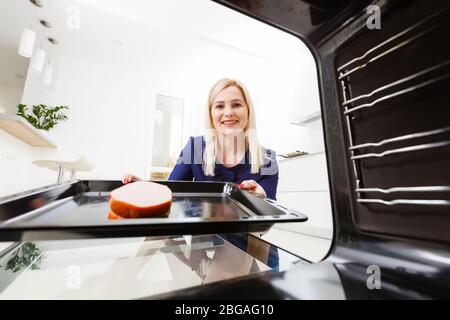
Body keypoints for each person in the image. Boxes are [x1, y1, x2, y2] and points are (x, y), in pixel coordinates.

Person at [123, 78, 279, 200]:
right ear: (211, 114)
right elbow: (171, 191)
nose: (228, 112)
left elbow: (269, 217)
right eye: (219, 106)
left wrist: (261, 198)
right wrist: (145, 188)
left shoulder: (268, 160)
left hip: (247, 239)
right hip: (202, 238)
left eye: (236, 104)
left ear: (248, 111)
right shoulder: (195, 148)